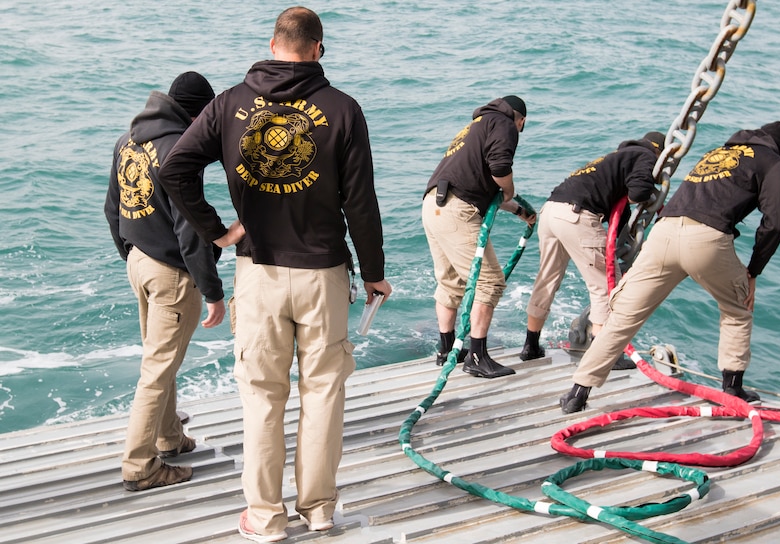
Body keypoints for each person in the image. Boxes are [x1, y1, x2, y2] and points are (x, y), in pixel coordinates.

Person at [158, 7, 392, 542]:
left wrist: (220, 233)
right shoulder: (343, 109)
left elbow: (174, 170)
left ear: (272, 44)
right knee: (324, 393)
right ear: (317, 49)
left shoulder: (228, 105)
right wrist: (375, 272)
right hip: (324, 274)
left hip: (257, 272)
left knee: (262, 398)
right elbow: (361, 203)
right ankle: (320, 510)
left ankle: (264, 518)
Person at [559, 122, 780, 414]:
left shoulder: (717, 152)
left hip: (664, 232)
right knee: (737, 308)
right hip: (707, 240)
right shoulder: (774, 163)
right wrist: (753, 270)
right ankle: (733, 389)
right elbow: (774, 223)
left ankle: (578, 392)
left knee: (623, 318)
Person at [104, 71, 225, 491]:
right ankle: (140, 467)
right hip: (170, 274)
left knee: (162, 359)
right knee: (157, 371)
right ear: (196, 114)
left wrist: (134, 256)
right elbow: (190, 231)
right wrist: (213, 292)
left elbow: (112, 208)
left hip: (138, 261)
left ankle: (169, 437)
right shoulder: (179, 149)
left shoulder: (127, 141)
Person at [519, 132, 665, 368]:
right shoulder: (645, 155)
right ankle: (604, 358)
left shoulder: (615, 158)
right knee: (606, 288)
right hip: (577, 215)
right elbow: (639, 192)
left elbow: (620, 214)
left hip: (550, 210)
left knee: (547, 279)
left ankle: (531, 345)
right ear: (659, 152)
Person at [422, 95, 534, 379]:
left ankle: (447, 350)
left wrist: (519, 210)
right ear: (520, 118)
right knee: (490, 282)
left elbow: (481, 187)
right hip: (457, 209)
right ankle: (476, 356)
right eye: (523, 125)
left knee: (451, 281)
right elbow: (499, 168)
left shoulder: (475, 127)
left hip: (434, 205)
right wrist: (510, 190)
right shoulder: (504, 122)